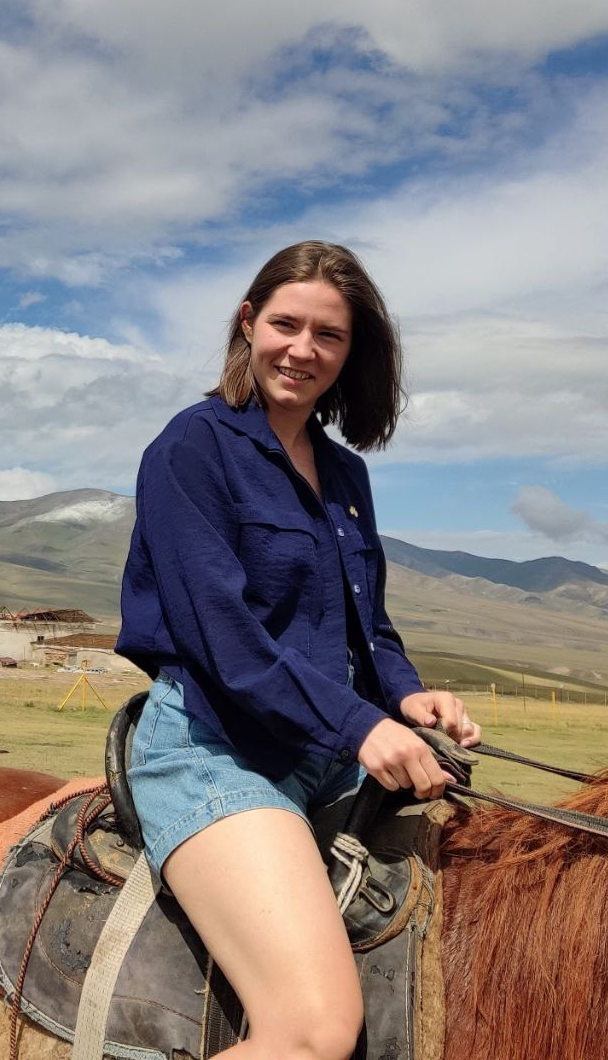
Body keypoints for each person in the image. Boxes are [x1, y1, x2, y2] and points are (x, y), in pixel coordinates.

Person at [116, 240, 481, 1060]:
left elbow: (367, 628)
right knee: (313, 1032)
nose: (303, 350)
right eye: (286, 324)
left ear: (353, 353)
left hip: (329, 751)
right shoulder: (190, 449)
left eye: (329, 335)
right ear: (249, 323)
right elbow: (227, 642)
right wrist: (361, 725)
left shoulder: (346, 474)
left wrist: (407, 697)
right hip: (219, 750)